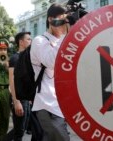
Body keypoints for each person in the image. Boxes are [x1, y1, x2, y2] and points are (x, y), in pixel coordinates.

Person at [30, 3, 70, 141]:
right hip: (47, 104)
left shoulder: (65, 41)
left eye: (66, 20)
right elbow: (51, 61)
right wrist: (65, 34)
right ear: (50, 20)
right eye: (62, 19)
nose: (65, 23)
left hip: (62, 104)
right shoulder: (39, 41)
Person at [5, 32, 32, 141]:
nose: (31, 41)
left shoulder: (29, 57)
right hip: (19, 99)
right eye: (28, 39)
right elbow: (12, 80)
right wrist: (16, 101)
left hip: (27, 99)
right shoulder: (15, 58)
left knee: (23, 127)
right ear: (21, 42)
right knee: (19, 131)